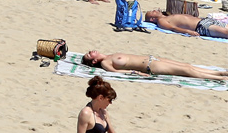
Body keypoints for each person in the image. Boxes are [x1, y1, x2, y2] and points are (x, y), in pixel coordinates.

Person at [77, 77, 167, 133]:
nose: (110, 103)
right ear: (101, 98)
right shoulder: (86, 113)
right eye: (109, 100)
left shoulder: (103, 112)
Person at [80, 51, 228, 81]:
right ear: (94, 62)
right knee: (186, 71)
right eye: (89, 54)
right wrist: (136, 73)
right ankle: (218, 78)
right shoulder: (105, 63)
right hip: (150, 67)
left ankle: (220, 73)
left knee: (187, 65)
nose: (91, 51)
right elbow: (115, 73)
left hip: (153, 59)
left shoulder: (109, 54)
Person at [144, 9, 228, 38]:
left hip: (205, 20)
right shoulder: (161, 21)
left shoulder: (167, 16)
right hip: (202, 26)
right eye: (152, 12)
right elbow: (173, 28)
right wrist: (188, 32)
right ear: (152, 19)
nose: (154, 10)